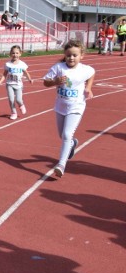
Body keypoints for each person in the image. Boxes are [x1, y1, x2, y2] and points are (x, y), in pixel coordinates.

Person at [43, 39, 95, 178]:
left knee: (66, 135)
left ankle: (61, 164)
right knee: (62, 136)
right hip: (60, 106)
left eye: (75, 55)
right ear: (65, 55)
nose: (71, 58)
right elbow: (45, 82)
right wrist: (55, 82)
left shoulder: (85, 69)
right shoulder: (59, 68)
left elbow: (92, 73)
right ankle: (72, 143)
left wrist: (88, 88)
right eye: (68, 55)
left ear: (81, 56)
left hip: (76, 107)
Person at [0, 45, 34, 120]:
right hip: (9, 84)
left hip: (19, 85)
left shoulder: (22, 64)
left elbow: (26, 72)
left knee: (18, 100)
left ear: (20, 54)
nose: (15, 55)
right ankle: (13, 112)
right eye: (13, 53)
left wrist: (30, 79)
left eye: (17, 53)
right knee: (11, 99)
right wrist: (0, 82)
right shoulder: (8, 64)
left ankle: (21, 105)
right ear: (10, 54)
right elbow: (4, 74)